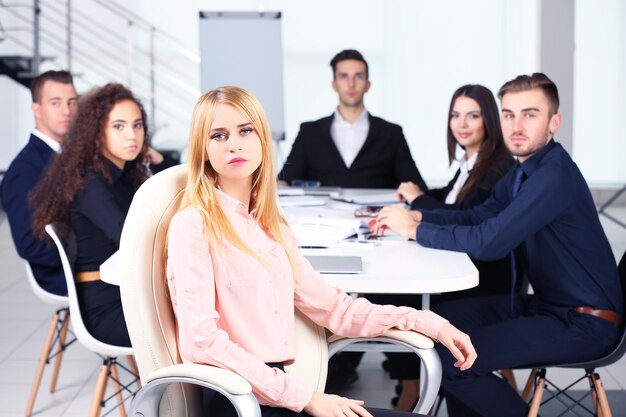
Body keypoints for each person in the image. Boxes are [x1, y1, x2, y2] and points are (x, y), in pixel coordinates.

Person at [165, 86, 476, 417]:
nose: (234, 144)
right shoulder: (193, 225)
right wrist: (307, 398)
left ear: (262, 140)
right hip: (237, 401)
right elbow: (201, 342)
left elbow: (336, 310)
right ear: (203, 149)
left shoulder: (272, 226)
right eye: (219, 135)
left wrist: (427, 322)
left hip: (277, 394)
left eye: (245, 130)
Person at [373, 73, 623, 417]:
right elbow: (479, 215)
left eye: (530, 114)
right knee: (438, 323)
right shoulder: (523, 171)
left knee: (451, 356)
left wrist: (416, 233)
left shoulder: (553, 176)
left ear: (554, 122)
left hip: (585, 324)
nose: (516, 125)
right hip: (551, 307)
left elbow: (489, 241)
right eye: (508, 114)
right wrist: (420, 219)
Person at [370, 84, 515, 410]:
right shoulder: (470, 162)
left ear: (489, 120)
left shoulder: (497, 167)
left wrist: (417, 204)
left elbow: (466, 216)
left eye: (473, 115)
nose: (461, 124)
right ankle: (412, 381)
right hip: (461, 263)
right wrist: (415, 198)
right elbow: (452, 198)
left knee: (390, 295)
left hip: (480, 278)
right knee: (390, 290)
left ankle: (413, 387)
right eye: (455, 115)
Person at [30, 83, 171, 346]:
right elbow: (133, 240)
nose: (131, 135)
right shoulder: (90, 183)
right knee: (205, 327)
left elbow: (176, 195)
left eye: (137, 125)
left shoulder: (124, 174)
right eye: (118, 126)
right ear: (96, 133)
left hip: (131, 292)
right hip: (109, 306)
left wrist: (158, 158)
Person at [278, 49, 427, 189]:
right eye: (343, 76)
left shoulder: (391, 133)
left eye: (359, 76)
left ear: (368, 84)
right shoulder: (309, 132)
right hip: (321, 215)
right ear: (334, 84)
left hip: (376, 215)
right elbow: (285, 180)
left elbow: (415, 185)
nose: (351, 84)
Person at [1, 70, 78, 295]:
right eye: (56, 103)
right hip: (61, 275)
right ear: (36, 109)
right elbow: (30, 245)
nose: (66, 111)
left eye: (72, 102)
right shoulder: (24, 170)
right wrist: (89, 254)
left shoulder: (70, 155)